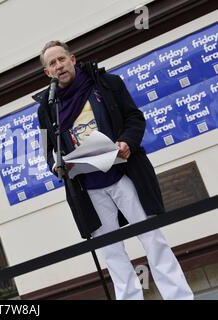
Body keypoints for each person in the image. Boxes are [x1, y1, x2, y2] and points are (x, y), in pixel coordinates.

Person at [36, 40, 193, 300]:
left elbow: (134, 118)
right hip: (88, 188)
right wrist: (59, 166)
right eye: (52, 63)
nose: (58, 66)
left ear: (73, 59)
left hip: (124, 174)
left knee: (152, 238)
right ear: (47, 73)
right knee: (112, 253)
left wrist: (127, 142)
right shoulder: (46, 108)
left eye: (61, 59)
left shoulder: (107, 84)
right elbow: (51, 151)